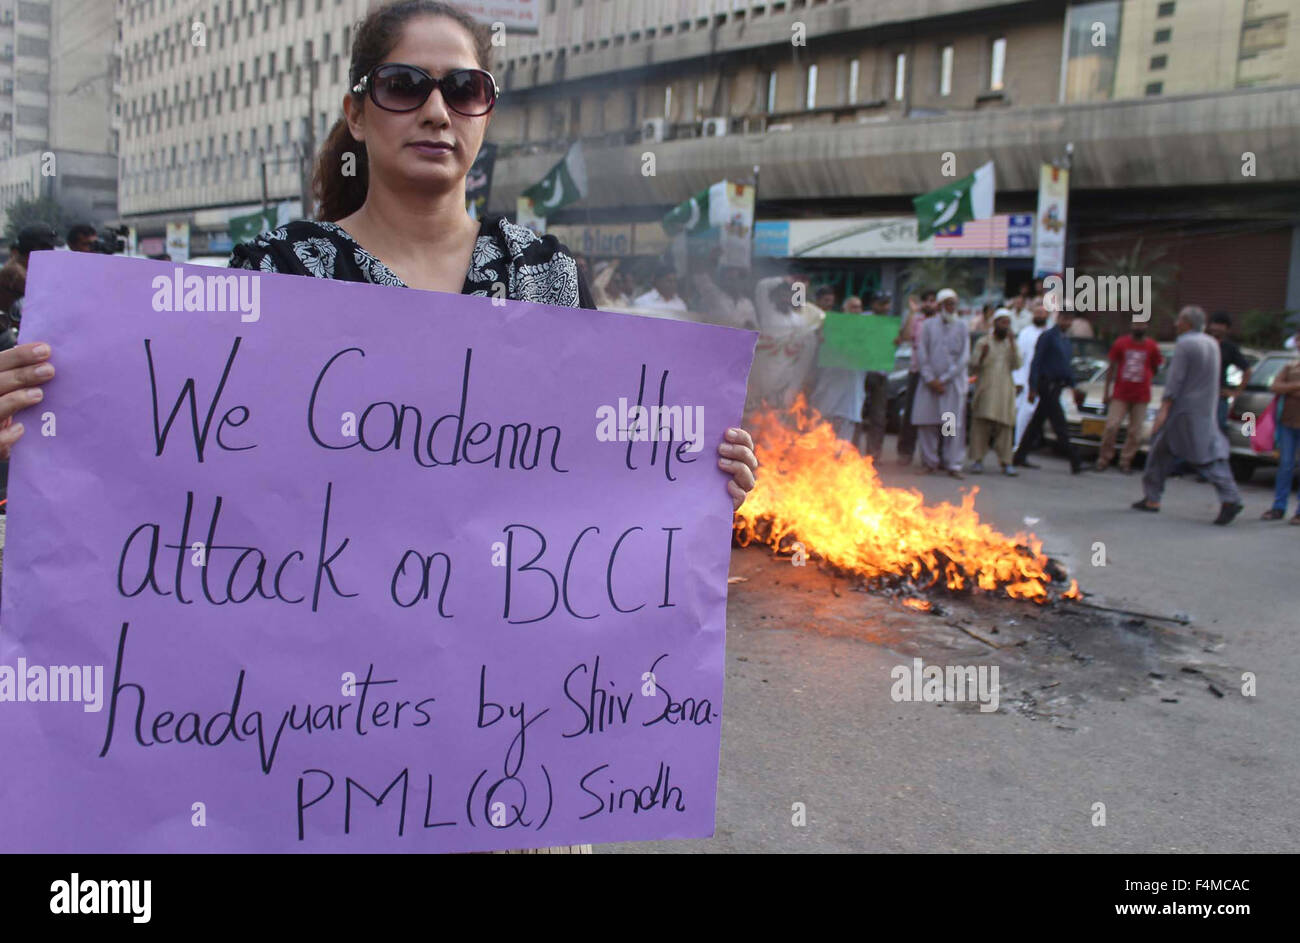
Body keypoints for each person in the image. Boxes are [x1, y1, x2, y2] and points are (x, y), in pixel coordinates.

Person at [224, 0, 760, 854]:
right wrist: (49, 432)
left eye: (463, 88)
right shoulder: (281, 271)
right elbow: (203, 467)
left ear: (485, 112)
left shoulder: (545, 272)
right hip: (332, 711)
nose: (436, 110)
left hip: (518, 724)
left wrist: (701, 472)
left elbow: (603, 474)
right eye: (405, 86)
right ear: (357, 112)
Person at [1132, 306, 1242, 525]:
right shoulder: (1211, 343)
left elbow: (1175, 380)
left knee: (1201, 457)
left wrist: (1164, 409)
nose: (1175, 324)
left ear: (1187, 323)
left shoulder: (1186, 344)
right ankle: (1152, 497)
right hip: (1205, 408)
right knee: (1163, 452)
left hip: (1183, 411)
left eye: (1179, 320)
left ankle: (1230, 498)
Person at [1013, 308, 1083, 473]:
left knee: (1036, 423)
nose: (1067, 322)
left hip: (1058, 385)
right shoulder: (1048, 336)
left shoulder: (1065, 340)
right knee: (1059, 424)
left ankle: (1019, 456)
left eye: (1070, 319)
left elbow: (1066, 366)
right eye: (1064, 319)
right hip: (1047, 385)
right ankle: (1075, 459)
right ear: (1058, 318)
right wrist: (1032, 387)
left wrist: (1073, 385)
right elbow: (1036, 362)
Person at [910, 288, 969, 478]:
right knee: (928, 424)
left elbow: (964, 358)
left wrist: (944, 379)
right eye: (947, 304)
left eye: (953, 304)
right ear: (940, 305)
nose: (951, 307)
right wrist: (930, 379)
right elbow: (922, 353)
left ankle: (952, 464)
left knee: (950, 427)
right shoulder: (928, 325)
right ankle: (930, 462)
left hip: (950, 387)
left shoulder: (962, 326)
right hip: (930, 385)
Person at [1096, 321, 1163, 473]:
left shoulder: (1152, 346)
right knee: (1112, 426)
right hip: (1120, 393)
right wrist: (1107, 392)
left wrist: (1147, 378)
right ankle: (1104, 458)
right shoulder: (1121, 343)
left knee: (1135, 431)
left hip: (1141, 395)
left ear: (1147, 327)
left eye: (1142, 325)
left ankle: (1125, 460)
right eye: (1136, 324)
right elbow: (1111, 368)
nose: (1138, 327)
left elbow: (1155, 367)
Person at [967, 309, 1021, 475]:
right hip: (986, 390)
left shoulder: (1011, 344)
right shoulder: (984, 342)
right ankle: (977, 460)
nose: (1005, 326)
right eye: (1002, 322)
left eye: (1007, 323)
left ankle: (1006, 462)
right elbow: (972, 367)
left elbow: (1017, 365)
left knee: (1005, 428)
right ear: (995, 323)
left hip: (1004, 392)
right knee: (980, 427)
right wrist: (981, 356)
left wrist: (1012, 345)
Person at [1260, 327, 1300, 522]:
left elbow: (1281, 388)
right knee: (1285, 465)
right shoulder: (1290, 366)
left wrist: (1288, 389)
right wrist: (1296, 386)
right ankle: (1278, 507)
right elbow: (1274, 386)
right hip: (1287, 423)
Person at [895, 289, 936, 465]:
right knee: (911, 413)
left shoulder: (947, 324)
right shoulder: (918, 320)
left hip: (940, 377)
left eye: (932, 300)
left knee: (946, 416)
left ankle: (946, 455)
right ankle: (906, 451)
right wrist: (912, 312)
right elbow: (905, 337)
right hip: (917, 372)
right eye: (925, 300)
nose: (929, 304)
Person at [1207, 312, 1252, 432]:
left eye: (1220, 324)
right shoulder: (1203, 343)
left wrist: (1236, 392)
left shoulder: (1229, 348)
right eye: (1214, 324)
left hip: (1219, 397)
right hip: (1199, 395)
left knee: (1217, 430)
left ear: (1226, 328)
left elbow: (1247, 370)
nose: (1216, 327)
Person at [1012, 302, 1049, 449]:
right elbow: (1019, 358)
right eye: (1037, 312)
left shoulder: (1050, 333)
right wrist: (1018, 380)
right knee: (1025, 414)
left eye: (1042, 312)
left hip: (1045, 380)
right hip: (1027, 381)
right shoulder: (1025, 333)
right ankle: (1018, 446)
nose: (1039, 315)